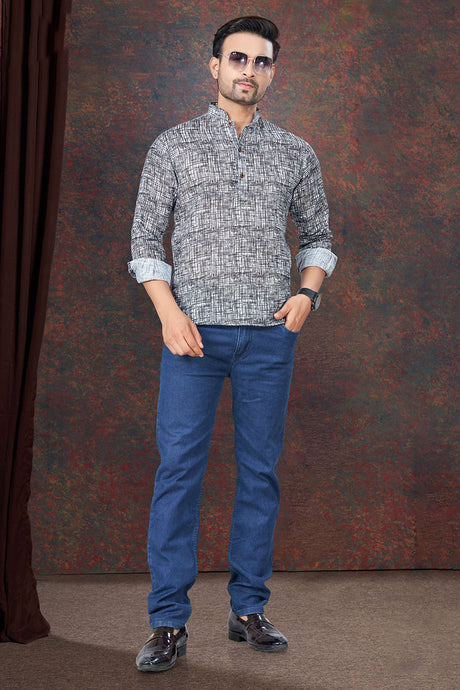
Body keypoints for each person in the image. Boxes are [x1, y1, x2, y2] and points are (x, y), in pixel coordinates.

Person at [128, 16, 337, 672]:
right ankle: (168, 621)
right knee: (178, 473)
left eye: (262, 61)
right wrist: (168, 313)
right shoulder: (174, 146)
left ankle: (248, 609)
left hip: (269, 338)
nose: (250, 70)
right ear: (214, 66)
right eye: (238, 58)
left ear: (273, 72)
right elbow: (145, 238)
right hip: (190, 337)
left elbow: (319, 235)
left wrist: (307, 295)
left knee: (259, 473)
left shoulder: (295, 152)